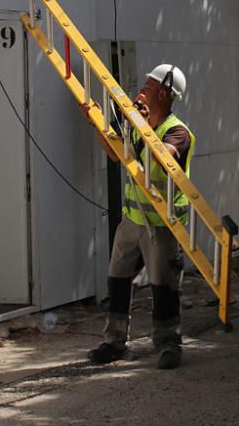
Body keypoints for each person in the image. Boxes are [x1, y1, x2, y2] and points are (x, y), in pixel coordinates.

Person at [83, 63, 195, 370]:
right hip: (132, 221)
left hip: (162, 224)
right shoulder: (137, 126)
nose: (140, 92)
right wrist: (97, 123)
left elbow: (162, 157)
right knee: (117, 280)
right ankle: (114, 341)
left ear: (163, 93)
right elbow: (115, 153)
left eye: (147, 87)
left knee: (164, 285)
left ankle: (169, 343)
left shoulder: (177, 132)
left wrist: (142, 130)